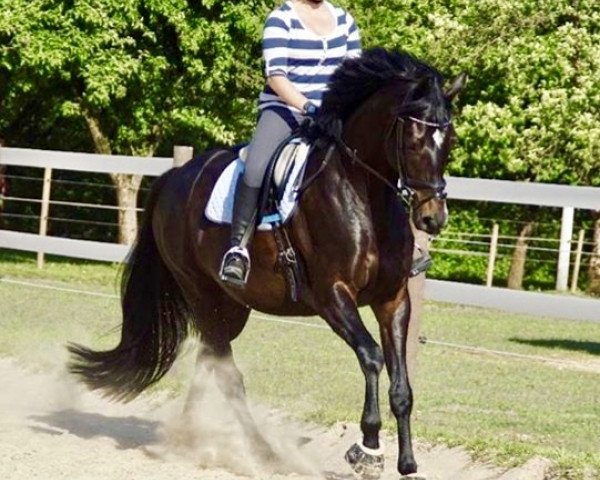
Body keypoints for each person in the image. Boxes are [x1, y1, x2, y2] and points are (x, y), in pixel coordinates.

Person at [219, 0, 362, 287]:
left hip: (333, 116)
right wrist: (309, 107)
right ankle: (238, 249)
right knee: (256, 166)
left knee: (373, 155)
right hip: (286, 111)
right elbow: (276, 77)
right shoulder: (281, 18)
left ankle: (401, 242)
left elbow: (355, 75)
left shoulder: (345, 21)